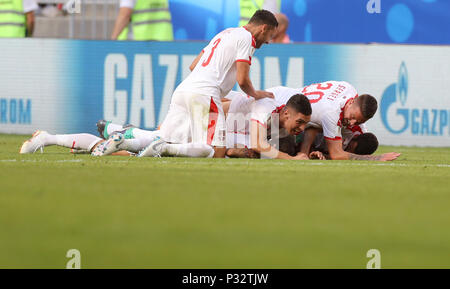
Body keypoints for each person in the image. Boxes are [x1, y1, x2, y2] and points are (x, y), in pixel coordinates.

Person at [124, 10, 278, 159]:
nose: (268, 42)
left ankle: (123, 142)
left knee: (171, 139)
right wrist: (257, 94)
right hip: (205, 94)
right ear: (264, 28)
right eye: (270, 36)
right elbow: (243, 80)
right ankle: (162, 148)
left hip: (183, 90)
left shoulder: (226, 33)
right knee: (217, 150)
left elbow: (193, 65)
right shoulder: (247, 38)